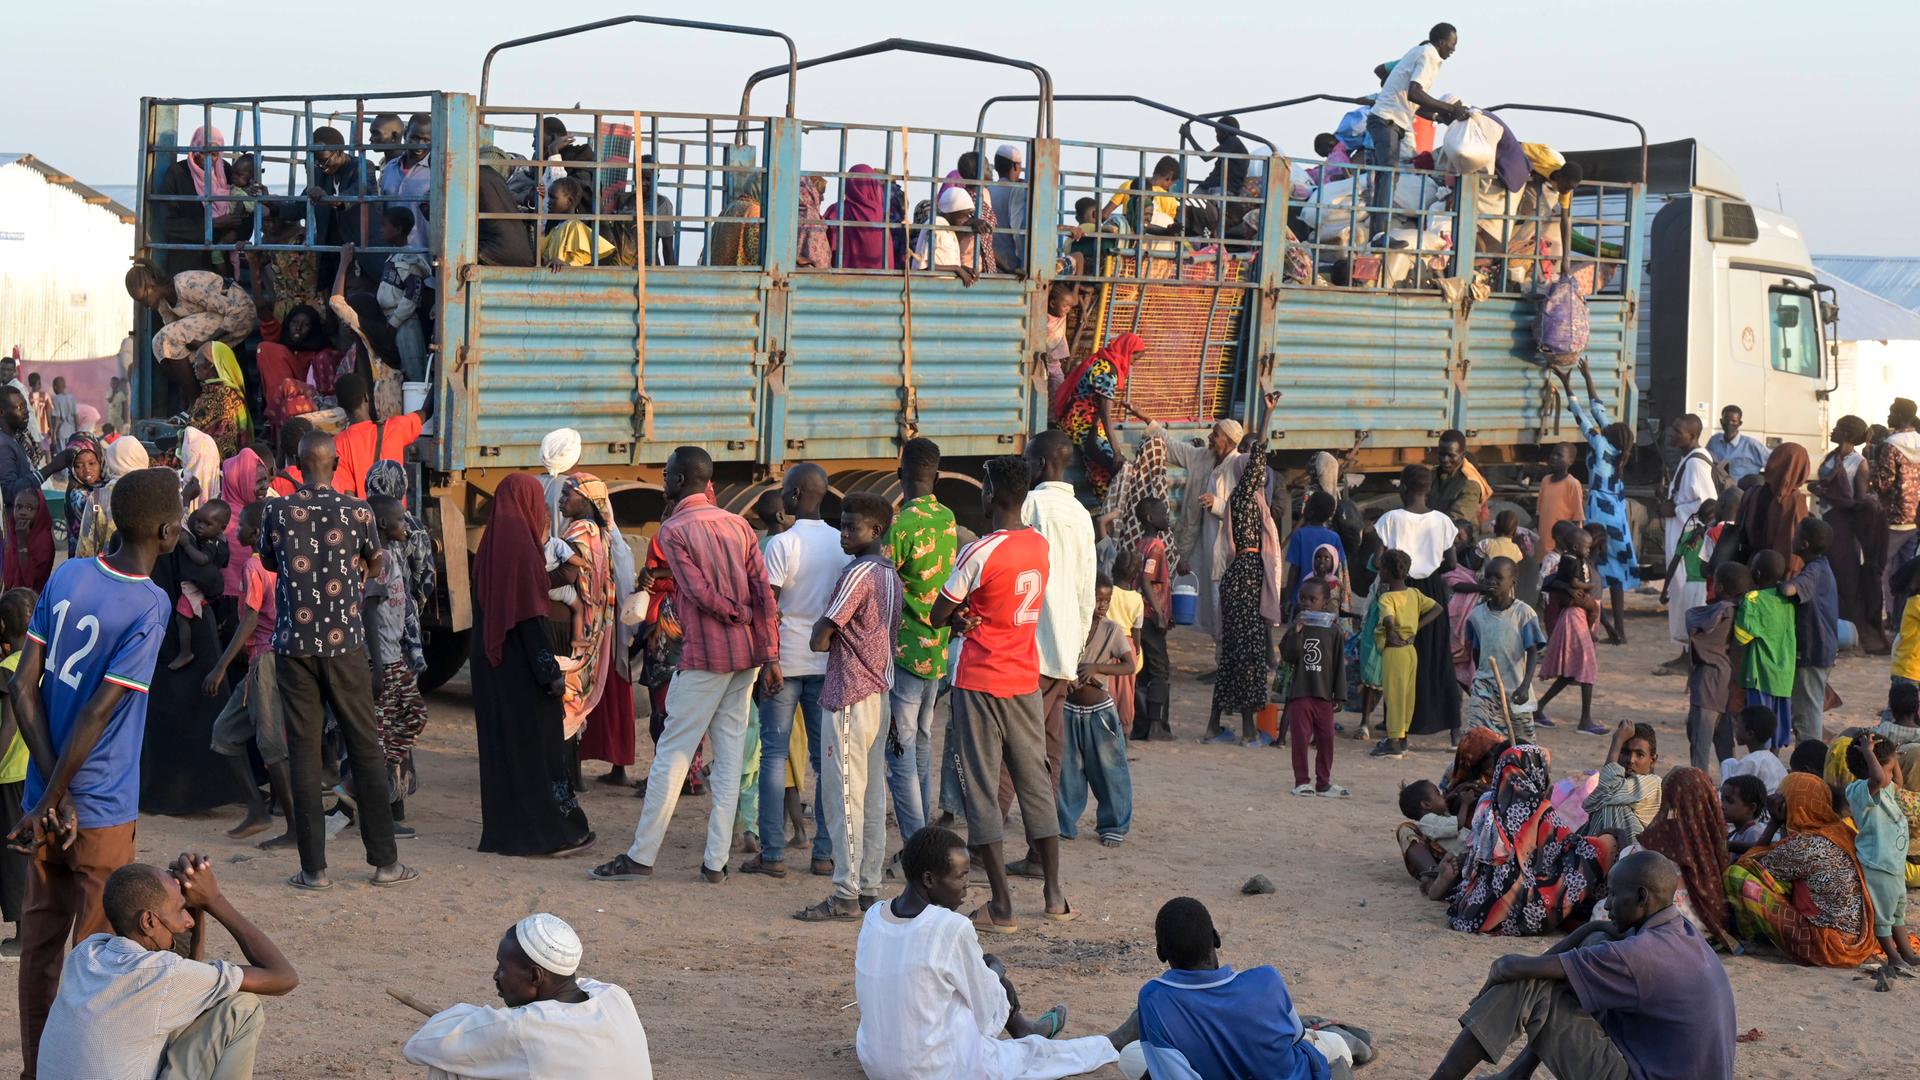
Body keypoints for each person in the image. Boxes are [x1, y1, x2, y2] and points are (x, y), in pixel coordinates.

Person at [7, 467, 178, 1073]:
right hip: (99, 807)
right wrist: (66, 796)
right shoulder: (149, 605)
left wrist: (46, 798)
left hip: (40, 804)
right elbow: (100, 713)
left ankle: (34, 1068)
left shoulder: (68, 575)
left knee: (41, 947)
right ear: (165, 531)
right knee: (98, 958)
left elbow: (22, 691)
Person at [592, 447, 777, 883]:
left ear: (677, 480)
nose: (662, 481)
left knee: (672, 755)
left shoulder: (674, 529)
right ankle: (715, 863)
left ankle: (641, 856)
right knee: (730, 759)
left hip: (705, 657)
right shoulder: (739, 525)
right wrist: (767, 649)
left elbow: (696, 592)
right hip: (745, 657)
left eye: (665, 475)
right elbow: (764, 593)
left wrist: (736, 613)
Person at [258, 432, 415, 891]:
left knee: (304, 754)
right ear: (337, 461)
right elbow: (375, 561)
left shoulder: (277, 511)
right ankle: (386, 863)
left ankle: (314, 871)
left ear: (298, 461)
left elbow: (270, 562)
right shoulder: (358, 511)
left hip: (294, 646)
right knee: (365, 747)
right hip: (346, 643)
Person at [853, 826, 1130, 1080]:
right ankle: (1109, 1044)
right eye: (961, 875)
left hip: (875, 1062)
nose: (967, 884)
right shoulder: (950, 927)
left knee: (978, 971)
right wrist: (995, 974)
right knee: (1032, 1056)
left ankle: (1024, 1027)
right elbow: (986, 1015)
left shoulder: (875, 914)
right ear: (929, 879)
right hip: (932, 1069)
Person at [1431, 849, 1736, 1080]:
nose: (1607, 905)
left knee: (1528, 986)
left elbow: (1523, 969)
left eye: (1614, 895)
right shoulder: (1681, 935)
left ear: (1642, 896)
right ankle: (1515, 1075)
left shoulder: (1640, 954)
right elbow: (1566, 961)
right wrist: (1590, 929)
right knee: (1584, 958)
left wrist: (1501, 970)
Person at [931, 456, 1071, 932]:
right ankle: (1054, 894)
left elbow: (937, 612)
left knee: (982, 788)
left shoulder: (979, 551)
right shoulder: (1039, 545)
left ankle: (1003, 905)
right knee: (1035, 781)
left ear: (990, 494)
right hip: (1024, 679)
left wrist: (960, 618)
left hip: (979, 680)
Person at [36, 855, 296, 1080]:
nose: (188, 921)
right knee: (242, 1009)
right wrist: (214, 900)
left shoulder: (86, 954)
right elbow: (283, 977)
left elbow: (185, 975)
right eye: (181, 910)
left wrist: (192, 904)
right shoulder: (163, 975)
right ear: (148, 921)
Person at [469, 473, 594, 858]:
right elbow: (529, 621)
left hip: (493, 670)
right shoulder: (523, 550)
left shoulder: (490, 547)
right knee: (538, 752)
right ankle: (553, 835)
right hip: (523, 672)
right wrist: (550, 675)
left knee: (504, 753)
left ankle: (505, 835)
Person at [792, 494, 903, 921]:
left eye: (851, 528)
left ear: (875, 531)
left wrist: (819, 630)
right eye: (842, 526)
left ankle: (844, 893)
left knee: (843, 797)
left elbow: (821, 636)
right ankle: (868, 886)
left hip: (850, 694)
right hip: (878, 692)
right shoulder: (890, 574)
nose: (843, 535)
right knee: (871, 796)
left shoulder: (856, 574)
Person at [738, 463, 845, 880]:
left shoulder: (782, 544)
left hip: (784, 663)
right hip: (826, 661)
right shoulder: (841, 542)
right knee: (825, 761)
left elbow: (769, 608)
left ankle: (773, 854)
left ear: (796, 496)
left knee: (774, 755)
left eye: (785, 490)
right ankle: (823, 854)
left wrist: (768, 660)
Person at [1130, 895, 1364, 1079]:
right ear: (1216, 938)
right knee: (1331, 1046)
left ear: (1161, 953)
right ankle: (1344, 1043)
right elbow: (1295, 1037)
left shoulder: (1154, 999)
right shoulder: (1267, 979)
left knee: (1131, 1057)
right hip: (1298, 1071)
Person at [404, 913, 653, 1079]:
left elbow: (420, 1044)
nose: (496, 976)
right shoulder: (615, 996)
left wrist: (492, 1022)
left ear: (535, 976)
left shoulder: (525, 1027)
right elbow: (579, 984)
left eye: (503, 968)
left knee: (449, 1065)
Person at [1007, 432, 1097, 860]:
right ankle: (1039, 854)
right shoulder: (1081, 515)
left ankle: (976, 847)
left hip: (1027, 648)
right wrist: (1077, 653)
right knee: (1048, 753)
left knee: (1009, 751)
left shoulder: (1029, 506)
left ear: (1040, 464)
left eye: (1027, 461)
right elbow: (1086, 591)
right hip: (1062, 655)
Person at [203, 499, 294, 846]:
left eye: (241, 526)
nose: (235, 530)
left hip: (265, 661)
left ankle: (294, 828)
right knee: (225, 733)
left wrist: (220, 665)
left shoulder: (256, 566)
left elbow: (251, 618)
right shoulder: (284, 561)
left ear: (256, 534)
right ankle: (258, 808)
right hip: (270, 658)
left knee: (271, 744)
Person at [882, 438, 958, 844]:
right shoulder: (947, 519)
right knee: (922, 740)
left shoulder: (899, 526)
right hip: (938, 650)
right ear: (938, 477)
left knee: (900, 751)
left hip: (906, 652)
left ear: (900, 476)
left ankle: (917, 843)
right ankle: (923, 830)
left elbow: (883, 584)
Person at [1725, 772, 1880, 967]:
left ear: (1793, 803)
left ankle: (1757, 939)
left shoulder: (1806, 844)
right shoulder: (1839, 832)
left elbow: (1751, 865)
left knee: (1735, 876)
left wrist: (1774, 823)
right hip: (1853, 940)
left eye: (1783, 799)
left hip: (1825, 945)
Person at [1371, 463, 1464, 749]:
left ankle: (1400, 730)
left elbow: (1377, 560)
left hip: (1401, 589)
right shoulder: (1444, 521)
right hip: (1433, 591)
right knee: (1437, 659)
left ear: (1404, 488)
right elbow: (1451, 563)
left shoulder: (1389, 519)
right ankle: (1453, 728)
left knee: (1400, 662)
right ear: (1429, 488)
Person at [1556, 361, 1638, 643]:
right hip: (1617, 512)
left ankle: (1598, 628)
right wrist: (1587, 375)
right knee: (1614, 573)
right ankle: (1620, 631)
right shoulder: (1618, 446)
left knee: (1593, 565)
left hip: (1601, 511)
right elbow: (1598, 408)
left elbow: (1582, 416)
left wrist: (1567, 385)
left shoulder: (1602, 445)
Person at [1366, 24, 1470, 244]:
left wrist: (1436, 116)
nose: (1453, 50)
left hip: (1394, 121)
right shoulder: (1428, 55)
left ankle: (1379, 232)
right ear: (1441, 42)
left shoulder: (1419, 52)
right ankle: (1378, 235)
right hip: (1386, 120)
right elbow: (1415, 93)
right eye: (1452, 45)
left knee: (1389, 175)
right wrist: (1450, 109)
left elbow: (1411, 99)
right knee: (1388, 173)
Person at [1052, 574, 1136, 845]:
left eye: (1107, 600)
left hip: (1100, 713)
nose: (1102, 605)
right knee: (1068, 771)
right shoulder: (1070, 628)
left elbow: (1128, 665)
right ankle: (1065, 823)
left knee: (1110, 770)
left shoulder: (1112, 630)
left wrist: (1096, 668)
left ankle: (1113, 824)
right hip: (1069, 710)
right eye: (1098, 600)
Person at [123, 260, 256, 410]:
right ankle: (197, 400)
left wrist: (206, 343)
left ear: (152, 287)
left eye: (143, 299)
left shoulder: (186, 285)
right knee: (160, 346)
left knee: (166, 338)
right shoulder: (163, 304)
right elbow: (173, 348)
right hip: (215, 323)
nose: (144, 305)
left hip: (239, 314)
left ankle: (196, 403)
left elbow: (234, 309)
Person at [1162, 419, 1246, 643]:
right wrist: (1147, 422)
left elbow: (1243, 508)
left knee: (1221, 603)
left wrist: (1217, 504)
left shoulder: (1237, 466)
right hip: (1202, 542)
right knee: (1208, 602)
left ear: (1227, 440)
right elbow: (1175, 448)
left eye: (1215, 434)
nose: (1210, 437)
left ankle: (1224, 663)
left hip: (1222, 548)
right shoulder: (1206, 458)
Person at [1845, 733, 1920, 970]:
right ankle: (1892, 956)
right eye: (1887, 768)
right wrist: (1869, 751)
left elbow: (1895, 780)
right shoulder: (1859, 790)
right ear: (1870, 766)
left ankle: (1906, 953)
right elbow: (1879, 776)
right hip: (1877, 864)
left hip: (1893, 865)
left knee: (1898, 911)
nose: (1890, 775)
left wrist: (1893, 758)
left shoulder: (1885, 788)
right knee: (1883, 916)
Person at [1816, 415, 1889, 653]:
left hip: (1844, 528)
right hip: (1827, 523)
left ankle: (1853, 633)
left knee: (1846, 582)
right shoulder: (1832, 457)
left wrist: (1825, 493)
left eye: (1836, 428)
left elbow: (1856, 501)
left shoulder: (1859, 463)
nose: (1832, 430)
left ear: (1846, 435)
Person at [1051, 334, 1147, 500]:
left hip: (1080, 420)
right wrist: (1116, 451)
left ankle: (1105, 505)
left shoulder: (1102, 361)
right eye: (1134, 358)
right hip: (1080, 423)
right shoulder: (1108, 372)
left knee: (1100, 470)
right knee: (1119, 467)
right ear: (1127, 351)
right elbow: (1105, 414)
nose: (1133, 363)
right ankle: (1113, 508)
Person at [1462, 557, 1545, 743]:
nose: (1492, 581)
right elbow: (1476, 650)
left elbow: (1532, 652)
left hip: (1515, 688)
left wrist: (1525, 685)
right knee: (1478, 737)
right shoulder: (1476, 615)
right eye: (1488, 577)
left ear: (1512, 582)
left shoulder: (1524, 613)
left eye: (1498, 577)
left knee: (1523, 743)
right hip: (1485, 687)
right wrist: (1479, 677)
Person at [1369, 549, 1440, 760]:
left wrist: (1392, 634)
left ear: (1388, 572)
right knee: (1408, 696)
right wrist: (1416, 627)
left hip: (1395, 652)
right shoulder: (1415, 594)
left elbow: (1388, 619)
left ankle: (1393, 743)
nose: (1380, 570)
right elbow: (1437, 609)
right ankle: (1403, 739)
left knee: (1394, 697)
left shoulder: (1386, 597)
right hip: (1411, 651)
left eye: (1382, 567)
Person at [1282, 578, 1348, 797]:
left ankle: (1324, 782)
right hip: (1301, 693)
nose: (1307, 603)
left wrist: (1340, 694)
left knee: (1326, 738)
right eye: (1303, 598)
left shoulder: (1333, 631)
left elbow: (1339, 664)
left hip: (1323, 695)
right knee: (1300, 739)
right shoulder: (1296, 627)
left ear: (1325, 601)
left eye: (1313, 599)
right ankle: (1302, 781)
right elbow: (1289, 656)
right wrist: (1296, 632)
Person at [1777, 518, 1839, 745]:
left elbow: (1790, 589)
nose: (1792, 539)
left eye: (1796, 535)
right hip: (1821, 647)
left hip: (1814, 650)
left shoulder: (1813, 571)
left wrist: (1775, 586)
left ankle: (1811, 763)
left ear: (1804, 544)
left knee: (1808, 711)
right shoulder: (1821, 566)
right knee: (1806, 707)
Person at [1685, 561, 1749, 769]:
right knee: (1724, 744)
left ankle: (1699, 783)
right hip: (1727, 682)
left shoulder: (1721, 609)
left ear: (1719, 587)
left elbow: (1692, 619)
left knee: (1700, 744)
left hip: (1707, 682)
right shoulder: (1740, 610)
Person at [331, 372, 430, 500]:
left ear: (340, 405)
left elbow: (347, 494)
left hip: (366, 517)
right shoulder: (394, 428)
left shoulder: (337, 444)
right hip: (395, 516)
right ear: (366, 397)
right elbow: (426, 412)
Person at [1735, 549, 1797, 748]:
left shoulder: (1753, 599)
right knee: (1777, 729)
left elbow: (1742, 636)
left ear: (1757, 574)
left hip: (1761, 674)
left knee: (1759, 725)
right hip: (1785, 675)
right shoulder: (1788, 600)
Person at [1131, 496, 1175, 741]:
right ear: (1150, 518)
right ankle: (1158, 726)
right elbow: (1147, 579)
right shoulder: (1156, 546)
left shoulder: (1141, 543)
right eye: (1162, 512)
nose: (1166, 516)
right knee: (1160, 671)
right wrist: (1159, 613)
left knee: (1144, 671)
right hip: (1151, 614)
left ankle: (1143, 725)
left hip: (1141, 613)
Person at [1873, 398, 1920, 621]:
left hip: (1893, 517)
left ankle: (1885, 616)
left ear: (1901, 415)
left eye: (1892, 412)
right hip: (1916, 518)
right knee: (1905, 572)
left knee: (1880, 569)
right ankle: (1901, 618)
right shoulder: (1918, 441)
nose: (1888, 416)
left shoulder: (1890, 445)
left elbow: (1884, 482)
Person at [1584, 721, 1663, 844]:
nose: (1631, 760)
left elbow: (1603, 792)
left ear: (1652, 760)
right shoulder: (1622, 783)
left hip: (1637, 856)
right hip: (1622, 852)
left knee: (1612, 806)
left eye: (1640, 755)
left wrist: (1617, 741)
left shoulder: (1652, 783)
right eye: (1625, 752)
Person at [0, 387, 70, 509]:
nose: (26, 412)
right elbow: (9, 492)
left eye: (26, 407)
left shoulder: (16, 438)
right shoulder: (3, 445)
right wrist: (51, 468)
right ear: (1, 412)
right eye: (19, 408)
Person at [827, 163, 902, 270]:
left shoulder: (837, 211)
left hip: (843, 280)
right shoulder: (882, 214)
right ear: (874, 184)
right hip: (883, 281)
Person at [1536, 443, 1584, 557]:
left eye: (1559, 455)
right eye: (1553, 454)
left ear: (1570, 461)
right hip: (1543, 548)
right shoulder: (1545, 481)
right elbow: (1539, 514)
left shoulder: (1572, 484)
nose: (1554, 458)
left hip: (1560, 551)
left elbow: (1577, 519)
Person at [988, 144, 1029, 274]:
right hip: (1011, 264)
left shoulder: (988, 190)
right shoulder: (1017, 191)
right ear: (1016, 166)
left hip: (992, 261)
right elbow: (1018, 233)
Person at [1431, 430, 1485, 529]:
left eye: (1451, 455)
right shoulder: (1433, 475)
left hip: (1458, 540)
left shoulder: (1470, 484)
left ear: (1463, 455)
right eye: (1441, 454)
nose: (1445, 459)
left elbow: (1455, 520)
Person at [1706, 404, 1767, 487]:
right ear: (1721, 421)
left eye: (1733, 421)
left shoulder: (1752, 445)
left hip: (1742, 494)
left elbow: (1773, 464)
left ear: (1740, 423)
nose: (1729, 424)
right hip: (1718, 492)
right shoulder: (1714, 441)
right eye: (1726, 420)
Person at [4, 488, 52, 593]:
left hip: (31, 599)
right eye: (19, 507)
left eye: (30, 508)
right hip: (10, 598)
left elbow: (30, 580)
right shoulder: (12, 535)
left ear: (40, 512)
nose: (23, 513)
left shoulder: (44, 541)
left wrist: (22, 544)